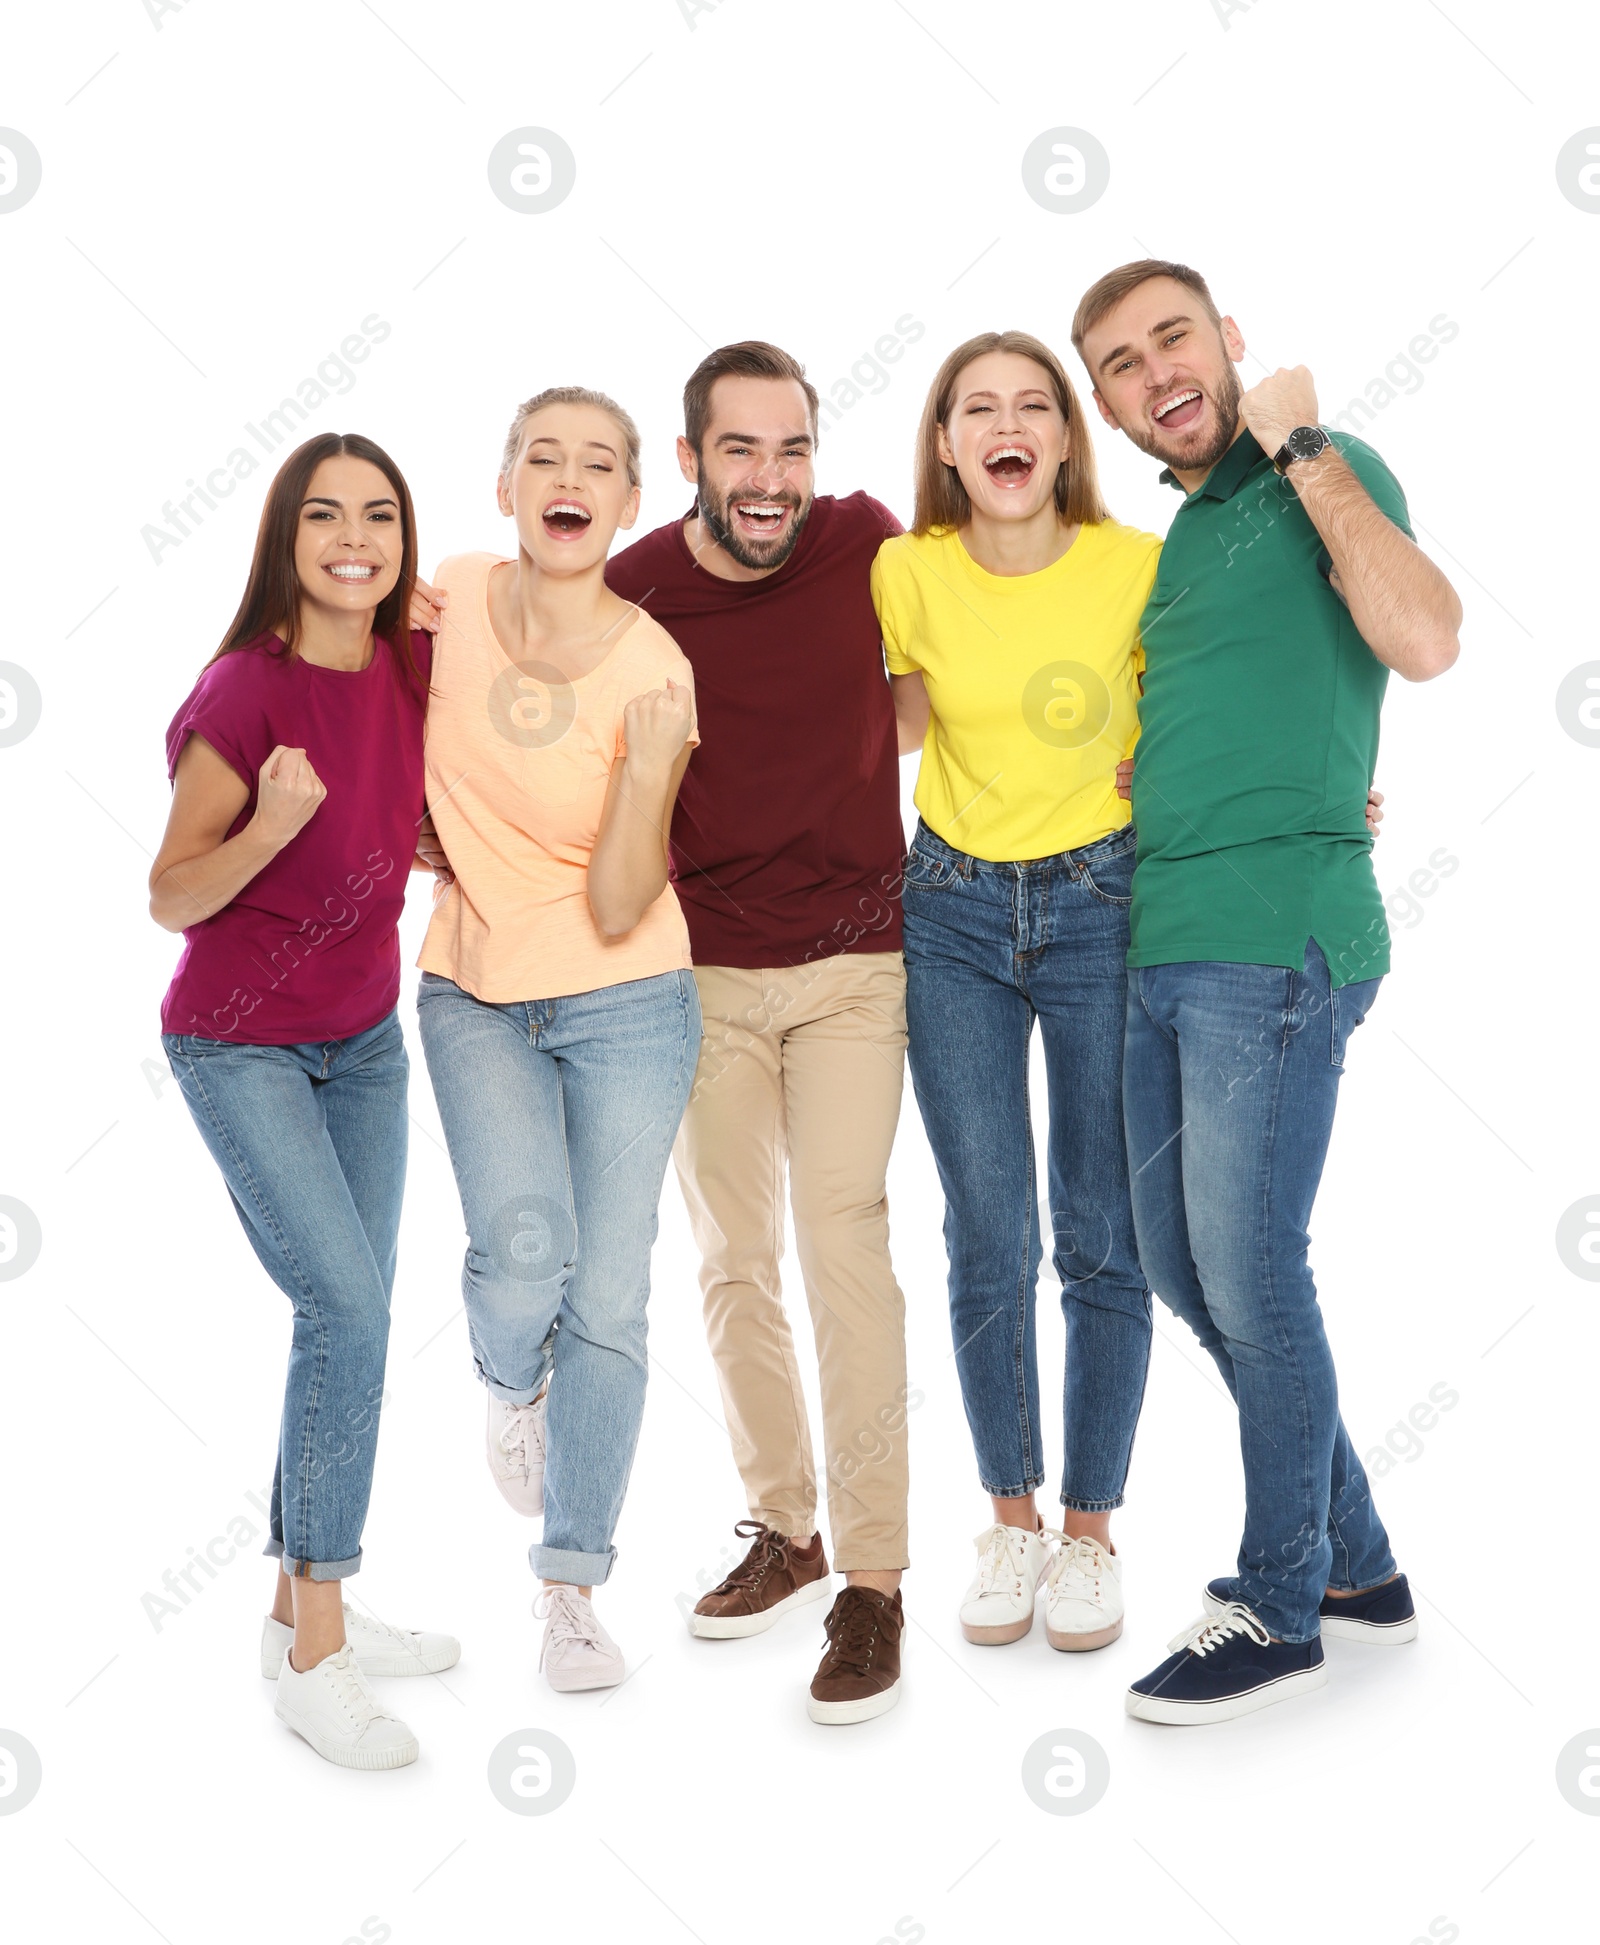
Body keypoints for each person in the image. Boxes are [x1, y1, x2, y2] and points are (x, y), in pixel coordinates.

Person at [1073, 259, 1461, 1723]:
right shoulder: (1176, 540)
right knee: (1185, 1270)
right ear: (1107, 403)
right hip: (1158, 935)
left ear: (1230, 343)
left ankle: (1279, 1598)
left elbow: (1423, 641)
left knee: (1253, 1271)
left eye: (1174, 336)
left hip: (1274, 943)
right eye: (1120, 361)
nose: (1155, 370)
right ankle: (1358, 1561)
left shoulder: (1327, 469)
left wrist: (1303, 450)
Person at [605, 342, 911, 1724]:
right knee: (732, 1254)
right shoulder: (635, 589)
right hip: (703, 968)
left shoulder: (862, 540)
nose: (773, 477)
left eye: (793, 447)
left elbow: (954, 666)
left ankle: (875, 1580)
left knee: (845, 1237)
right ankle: (784, 1528)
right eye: (743, 450)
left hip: (858, 957)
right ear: (690, 464)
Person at [151, 432, 458, 1772]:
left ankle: (296, 1606)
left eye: (379, 517)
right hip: (240, 1042)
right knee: (344, 1309)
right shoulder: (243, 690)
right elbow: (168, 891)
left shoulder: (407, 662)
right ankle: (317, 1654)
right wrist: (267, 831)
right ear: (285, 537)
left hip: (365, 1042)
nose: (355, 538)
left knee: (352, 1317)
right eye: (325, 516)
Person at [873, 331, 1159, 1657]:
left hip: (1107, 903)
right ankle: (1012, 1513)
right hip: (953, 913)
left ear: (1064, 436)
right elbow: (868, 716)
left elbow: (1208, 718)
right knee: (989, 1225)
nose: (1007, 424)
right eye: (977, 408)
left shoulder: (1135, 568)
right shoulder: (906, 570)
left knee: (1102, 1227)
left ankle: (1090, 1532)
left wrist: (1311, 805)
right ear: (946, 444)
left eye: (1032, 405)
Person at [413, 386, 701, 1695]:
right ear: (507, 484)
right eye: (544, 455)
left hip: (628, 990)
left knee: (615, 1287)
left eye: (598, 463)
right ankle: (504, 1372)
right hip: (473, 984)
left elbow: (624, 888)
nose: (568, 476)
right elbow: (338, 659)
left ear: (630, 503)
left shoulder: (654, 667)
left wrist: (646, 775)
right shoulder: (456, 594)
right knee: (523, 1255)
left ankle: (572, 1584)